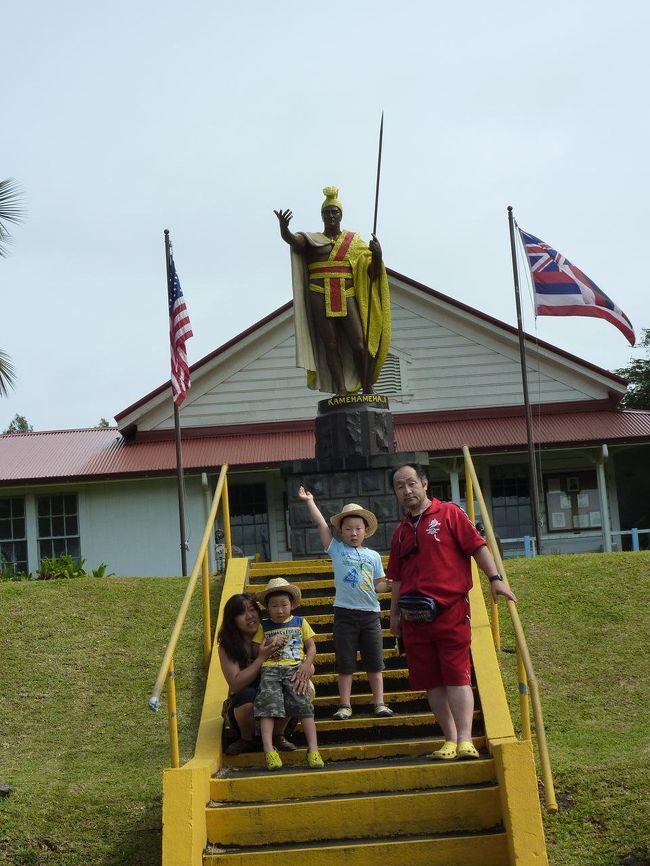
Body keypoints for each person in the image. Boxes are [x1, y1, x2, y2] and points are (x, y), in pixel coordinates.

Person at [387, 463, 517, 761]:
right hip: (414, 618)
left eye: (411, 483)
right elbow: (397, 577)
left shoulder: (450, 514)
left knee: (457, 676)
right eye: (399, 486)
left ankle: (465, 739)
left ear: (424, 483)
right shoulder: (400, 532)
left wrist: (495, 580)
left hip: (451, 612)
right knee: (430, 680)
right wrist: (394, 616)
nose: (407, 491)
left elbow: (478, 546)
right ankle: (448, 738)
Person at [274, 186, 391, 395]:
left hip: (347, 294)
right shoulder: (313, 240)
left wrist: (378, 256)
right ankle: (340, 389)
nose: (331, 215)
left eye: (334, 212)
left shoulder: (354, 242)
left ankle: (367, 386)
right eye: (327, 212)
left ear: (341, 215)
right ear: (322, 216)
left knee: (358, 343)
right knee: (330, 344)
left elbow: (371, 275)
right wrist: (284, 229)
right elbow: (294, 241)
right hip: (319, 293)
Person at [298, 487, 394, 720]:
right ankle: (344, 705)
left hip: (371, 615)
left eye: (358, 528)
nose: (353, 532)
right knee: (345, 663)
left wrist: (389, 586)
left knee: (375, 662)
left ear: (366, 530)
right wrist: (310, 501)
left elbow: (377, 585)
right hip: (344, 614)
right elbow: (322, 526)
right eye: (348, 528)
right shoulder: (337, 550)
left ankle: (379, 703)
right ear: (340, 531)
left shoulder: (373, 556)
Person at [217, 592, 306, 755]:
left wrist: (308, 668)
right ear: (232, 620)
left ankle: (279, 735)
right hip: (244, 706)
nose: (249, 616)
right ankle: (246, 738)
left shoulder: (274, 631)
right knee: (247, 695)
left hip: (278, 700)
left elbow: (297, 659)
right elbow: (235, 684)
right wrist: (261, 658)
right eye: (242, 613)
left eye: (252, 610)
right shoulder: (228, 645)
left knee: (294, 686)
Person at [253, 577, 324, 770]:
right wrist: (270, 643)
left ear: (292, 604)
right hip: (270, 671)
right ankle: (269, 750)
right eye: (274, 606)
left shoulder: (300, 622)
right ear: (267, 607)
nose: (279, 610)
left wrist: (307, 665)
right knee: (268, 707)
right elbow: (256, 651)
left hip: (296, 670)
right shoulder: (264, 626)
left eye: (284, 605)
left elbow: (311, 647)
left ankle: (313, 749)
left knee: (304, 706)